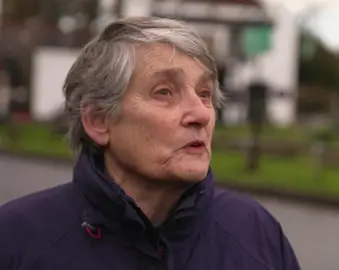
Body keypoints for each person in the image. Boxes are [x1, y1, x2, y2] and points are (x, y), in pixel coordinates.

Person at [0, 17, 301, 270]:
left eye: (205, 93)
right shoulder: (17, 239)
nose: (200, 114)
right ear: (98, 121)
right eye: (165, 92)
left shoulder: (256, 233)